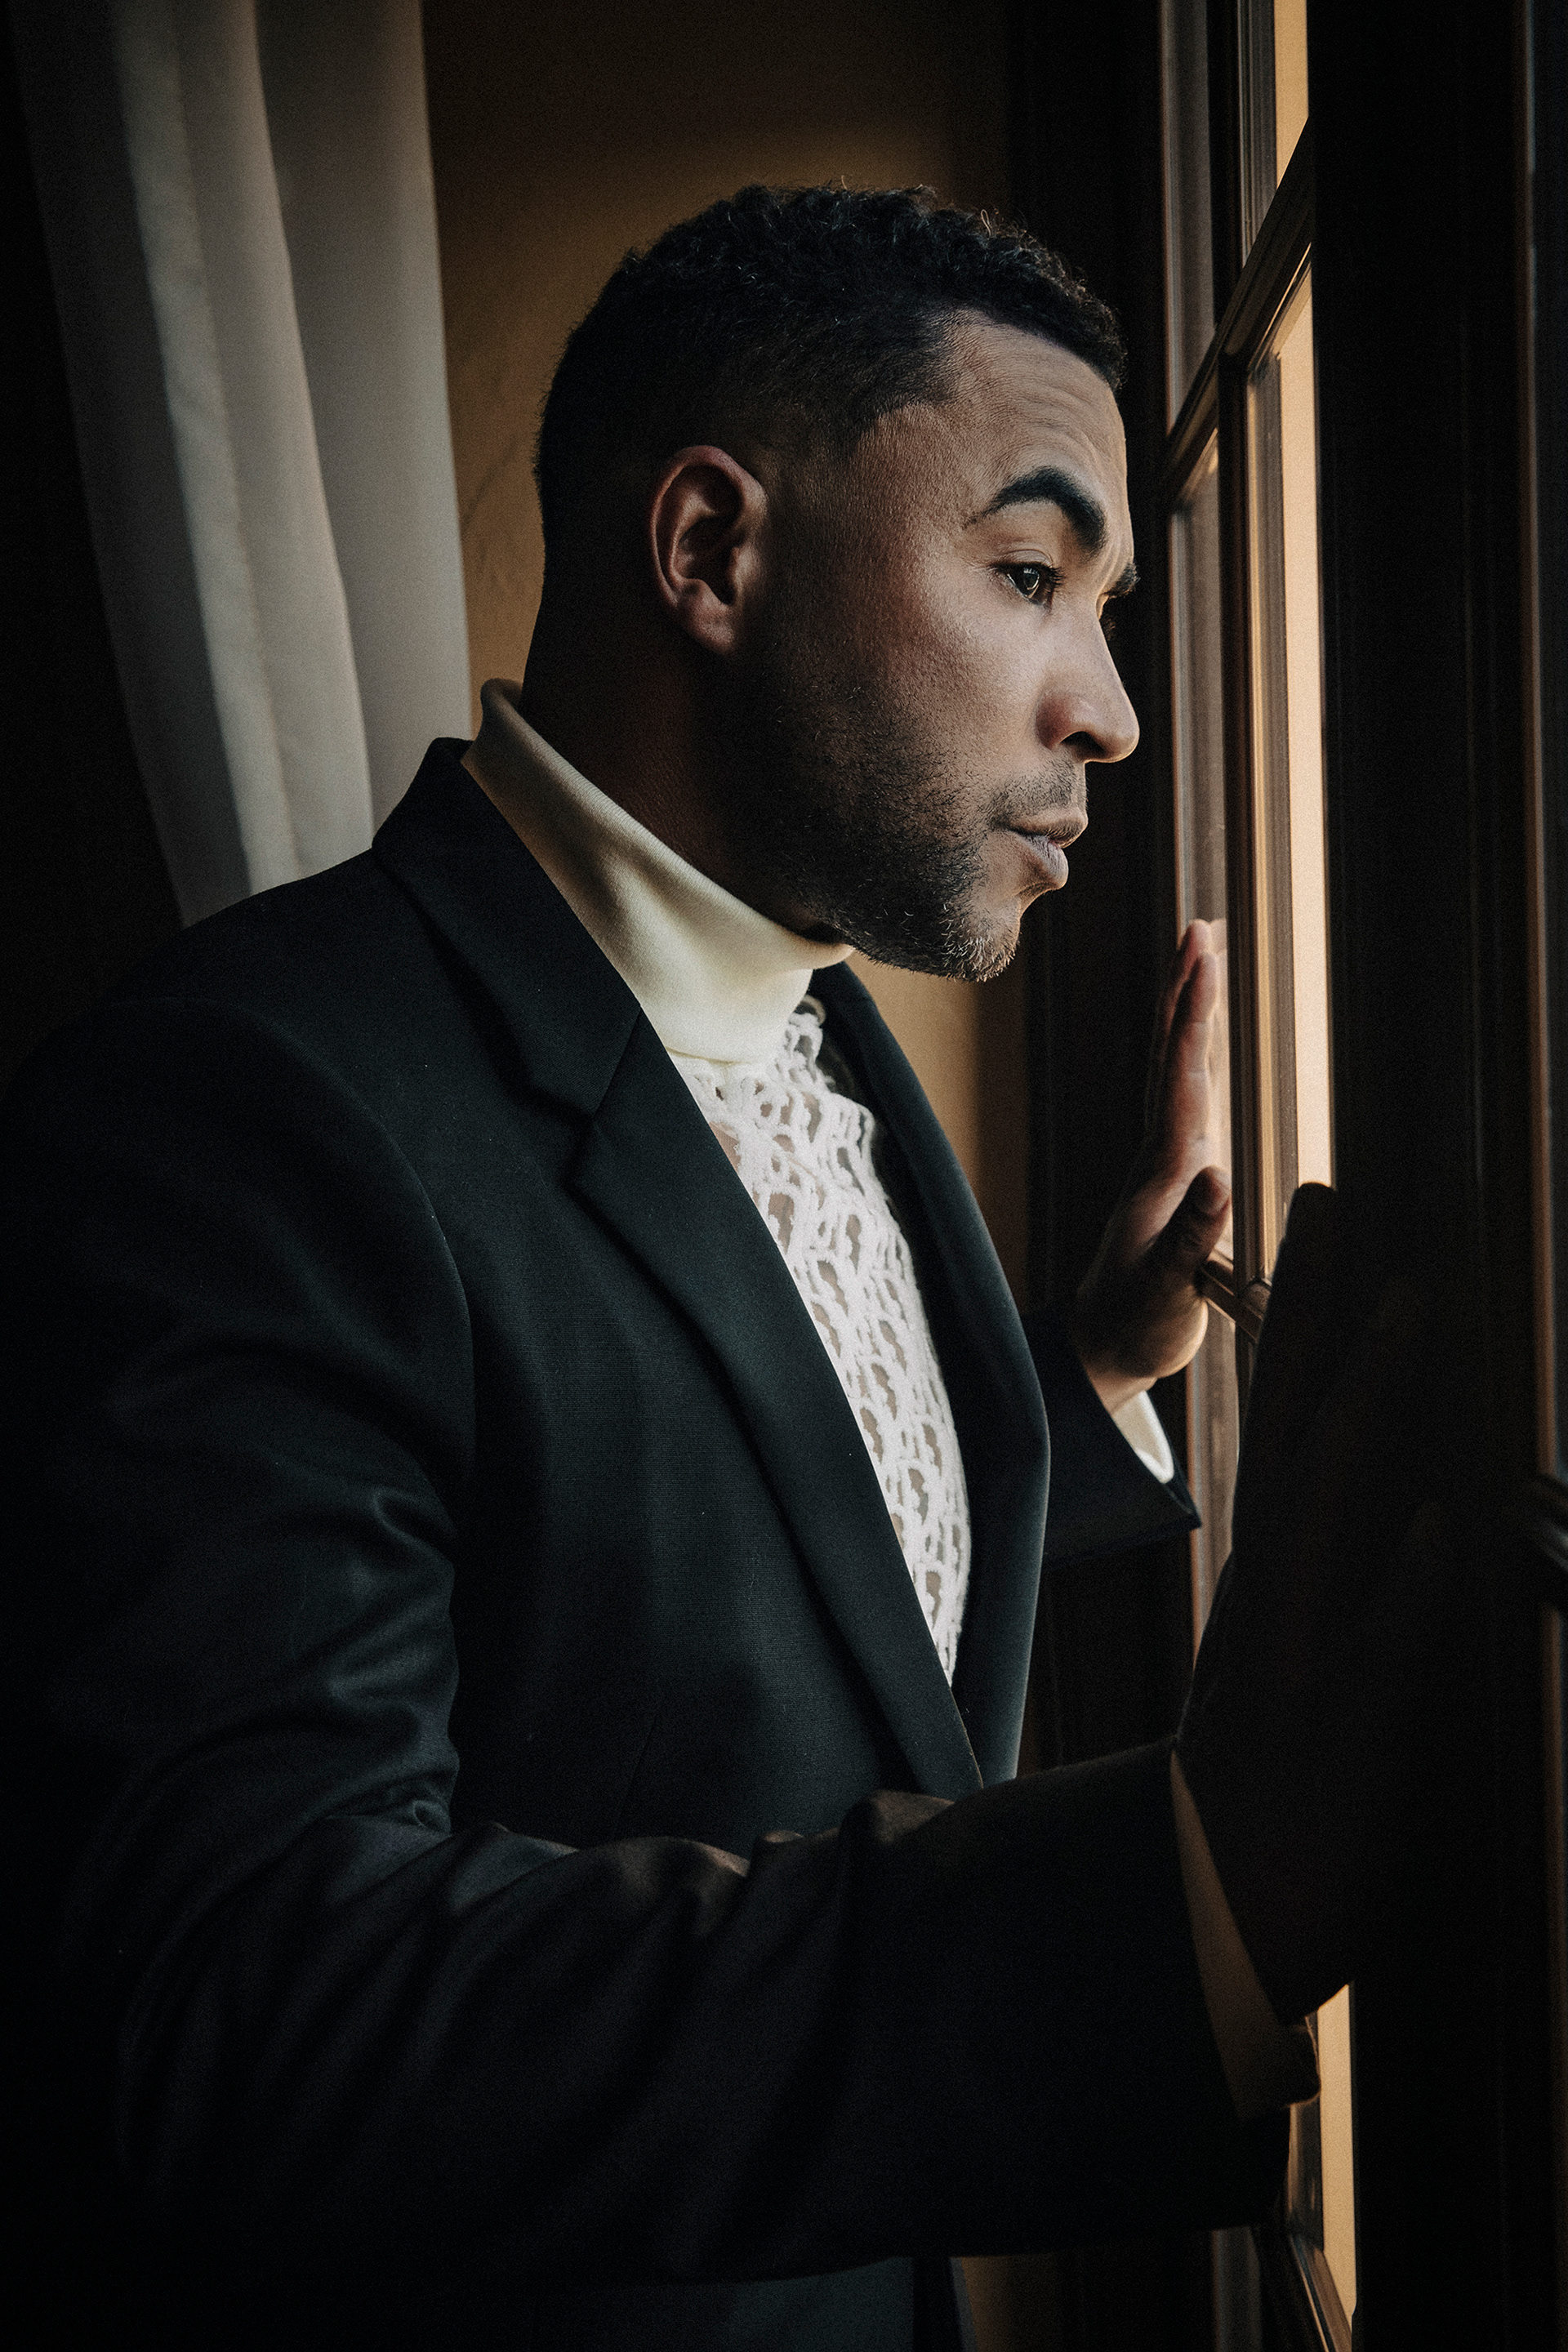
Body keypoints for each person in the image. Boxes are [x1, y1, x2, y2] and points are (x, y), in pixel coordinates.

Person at [2, 185, 1432, 2352]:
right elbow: (263, 2010)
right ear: (708, 551)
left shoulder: (822, 1023)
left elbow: (723, 1581)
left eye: (1107, 611)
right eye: (1031, 575)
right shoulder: (239, 1112)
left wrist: (1088, 1383)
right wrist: (1187, 1900)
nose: (1114, 711)